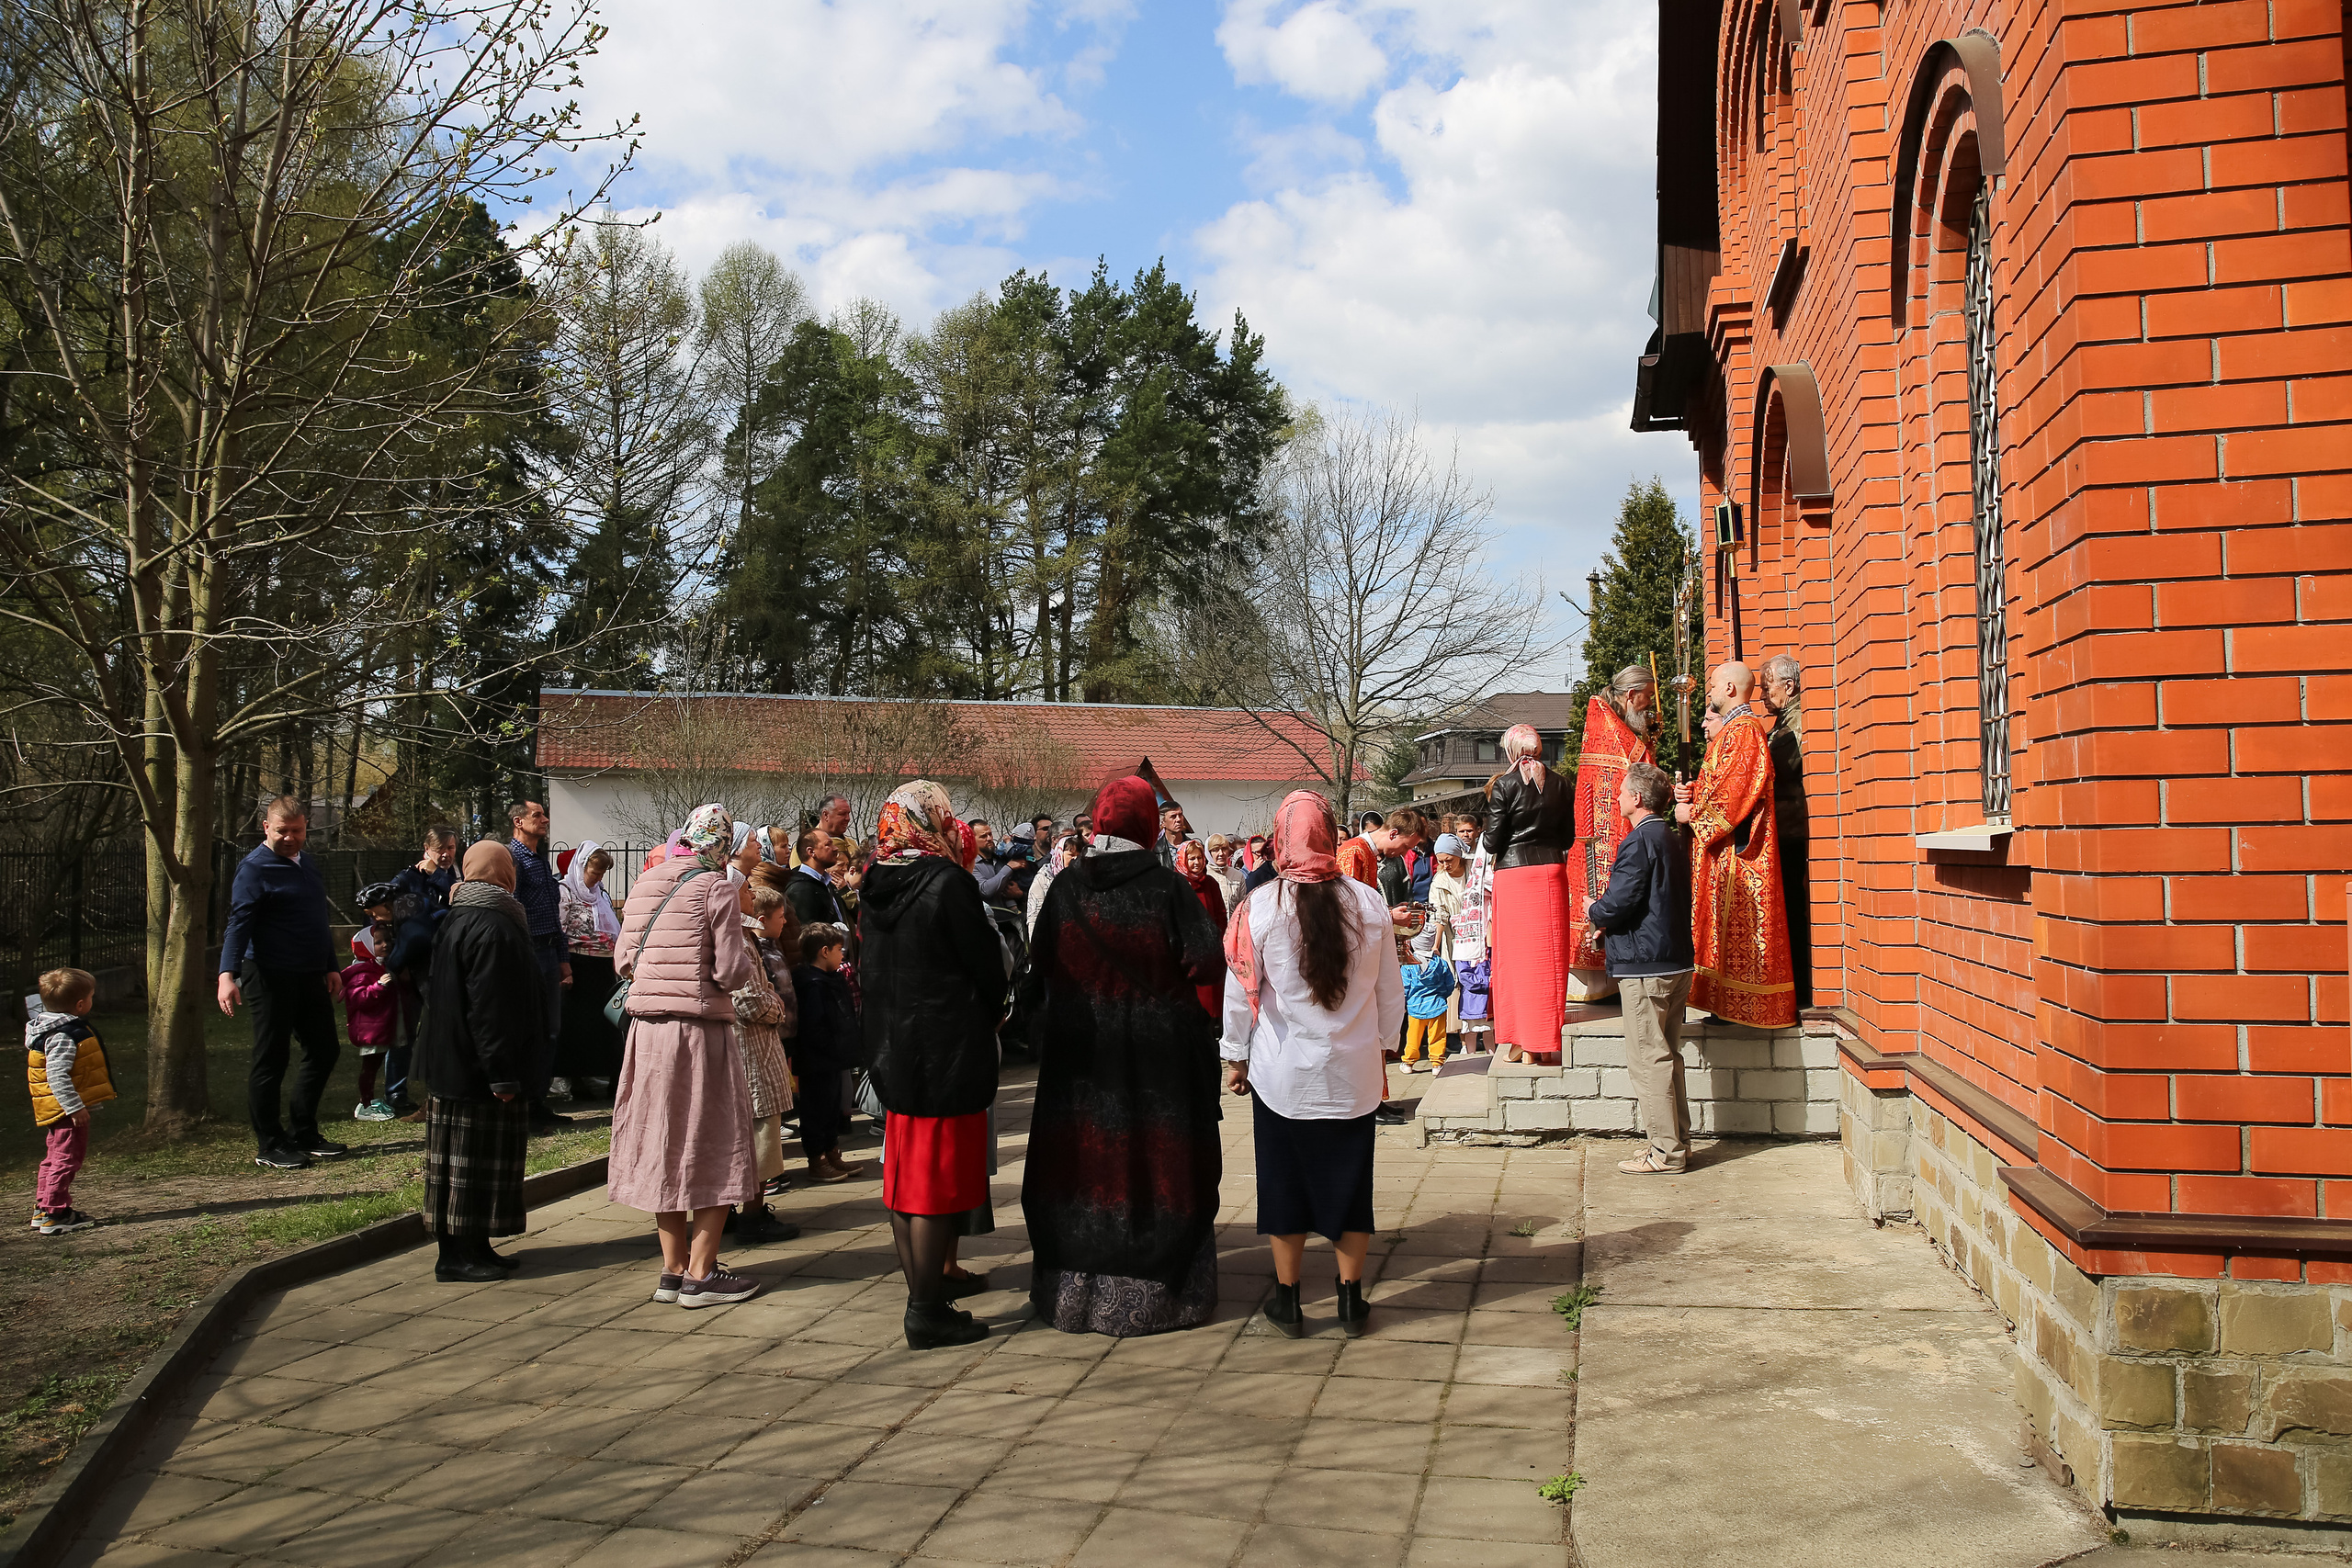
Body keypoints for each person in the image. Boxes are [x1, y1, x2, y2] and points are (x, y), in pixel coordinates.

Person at [1022, 776, 1227, 1337]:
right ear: (1146, 826)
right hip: (1156, 1060)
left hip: (1079, 1059)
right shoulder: (1167, 889)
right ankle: (1159, 1295)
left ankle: (1071, 1297)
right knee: (1150, 1165)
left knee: (1084, 1167)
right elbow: (1207, 962)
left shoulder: (1064, 889)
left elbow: (1038, 966)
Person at [1222, 791, 1404, 1338]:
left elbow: (1241, 992)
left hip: (1282, 1076)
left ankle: (1289, 1300)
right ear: (1331, 835)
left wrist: (1235, 1057)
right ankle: (1351, 1301)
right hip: (1353, 1075)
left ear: (1280, 839)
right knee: (1351, 1186)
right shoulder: (1369, 903)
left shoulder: (1258, 906)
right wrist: (1385, 1046)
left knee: (1286, 1187)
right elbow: (1390, 991)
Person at [861, 780, 1009, 1350]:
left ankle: (925, 1298)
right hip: (946, 1048)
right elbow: (985, 967)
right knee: (938, 1187)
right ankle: (926, 1309)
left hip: (894, 1047)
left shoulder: (875, 883)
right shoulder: (946, 881)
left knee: (906, 1183)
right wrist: (996, 1007)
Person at [610, 803, 765, 1309]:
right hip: (698, 1031)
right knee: (715, 1136)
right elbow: (730, 972)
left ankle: (672, 1270)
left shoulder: (645, 883)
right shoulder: (715, 887)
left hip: (646, 1032)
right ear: (720, 846)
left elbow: (623, 959)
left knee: (662, 1139)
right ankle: (703, 1273)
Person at [418, 841, 546, 1283]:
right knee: (467, 1165)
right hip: (477, 1069)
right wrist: (503, 1073)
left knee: (462, 1164)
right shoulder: (493, 924)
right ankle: (456, 1256)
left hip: (457, 1063)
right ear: (502, 872)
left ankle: (474, 1246)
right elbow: (490, 1006)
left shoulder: (462, 915)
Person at [217, 797, 345, 1170]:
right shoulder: (254, 869)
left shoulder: (307, 863)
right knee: (272, 1057)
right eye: (282, 831)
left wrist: (331, 966)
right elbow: (238, 923)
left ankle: (304, 1131)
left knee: (325, 1050)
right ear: (266, 827)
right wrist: (228, 974)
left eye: (298, 831)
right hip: (269, 973)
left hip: (310, 972)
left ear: (306, 828)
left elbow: (316, 919)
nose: (290, 838)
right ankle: (270, 1143)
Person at [1585, 761, 1698, 1173]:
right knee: (1668, 1057)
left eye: (1621, 792)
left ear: (1636, 798)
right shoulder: (1670, 837)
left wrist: (1594, 911)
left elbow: (1619, 902)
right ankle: (1675, 1143)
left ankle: (1664, 1153)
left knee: (1649, 1061)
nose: (1617, 798)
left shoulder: (1638, 841)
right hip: (1673, 959)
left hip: (1644, 964)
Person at [1675, 663, 1797, 1029]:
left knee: (1739, 935)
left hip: (1740, 858)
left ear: (1729, 688)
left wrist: (1692, 815)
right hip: (1723, 855)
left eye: (1712, 685)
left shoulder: (1744, 732)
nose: (1708, 691)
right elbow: (1720, 784)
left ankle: (1741, 1008)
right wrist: (1693, 792)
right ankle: (1725, 1004)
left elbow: (1735, 795)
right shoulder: (1733, 732)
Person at [1480, 724, 1574, 1065]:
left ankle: (1520, 1041)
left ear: (1510, 751)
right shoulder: (1563, 784)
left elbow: (1491, 841)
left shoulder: (1504, 785)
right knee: (1549, 960)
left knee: (1515, 961)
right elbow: (1567, 839)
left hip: (1514, 874)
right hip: (1551, 872)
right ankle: (1544, 1038)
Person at [1567, 667, 1658, 1004]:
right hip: (1603, 832)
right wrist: (1646, 746)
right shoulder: (1604, 720)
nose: (1649, 705)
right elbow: (1635, 767)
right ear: (1631, 696)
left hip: (1616, 825)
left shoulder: (1615, 720)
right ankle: (1599, 980)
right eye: (1647, 697)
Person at [728, 877, 801, 1240]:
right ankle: (752, 1216)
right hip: (749, 1048)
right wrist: (777, 1007)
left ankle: (734, 1212)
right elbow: (749, 1000)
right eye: (744, 891)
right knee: (756, 1130)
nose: (750, 895)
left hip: (752, 1045)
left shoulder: (743, 937)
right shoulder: (736, 939)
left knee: (751, 1128)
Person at [27, 967, 109, 1235]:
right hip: (67, 1111)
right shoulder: (64, 1035)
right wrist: (75, 1107)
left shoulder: (52, 1027)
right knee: (65, 1159)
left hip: (57, 1109)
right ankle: (56, 1213)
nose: (92, 1000)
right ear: (80, 1004)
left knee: (53, 1158)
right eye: (92, 996)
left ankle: (44, 1207)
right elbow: (57, 1076)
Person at [383, 828, 458, 1119]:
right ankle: (396, 1092)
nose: (446, 854)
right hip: (408, 963)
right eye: (440, 848)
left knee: (437, 1026)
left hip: (440, 961)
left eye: (451, 848)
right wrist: (394, 962)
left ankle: (436, 1090)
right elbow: (385, 917)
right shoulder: (405, 879)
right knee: (404, 1030)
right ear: (426, 848)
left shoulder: (452, 876)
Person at [505, 801, 570, 1126]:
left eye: (545, 815)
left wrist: (563, 960)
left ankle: (538, 1102)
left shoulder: (542, 863)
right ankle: (520, 1105)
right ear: (518, 821)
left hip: (548, 953)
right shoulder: (512, 858)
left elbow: (554, 916)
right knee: (527, 1030)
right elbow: (513, 911)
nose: (545, 820)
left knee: (550, 1031)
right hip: (526, 953)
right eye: (538, 816)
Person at [790, 924, 863, 1183]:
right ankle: (817, 1159)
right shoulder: (810, 983)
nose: (842, 955)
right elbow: (814, 1024)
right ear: (824, 951)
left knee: (832, 1107)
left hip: (833, 1057)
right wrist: (830, 1046)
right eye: (838, 950)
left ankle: (832, 1152)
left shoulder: (833, 978)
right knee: (816, 1110)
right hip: (816, 1059)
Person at [1760, 652, 1812, 1008]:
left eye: (1768, 686)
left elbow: (1780, 765)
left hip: (1792, 830)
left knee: (1794, 914)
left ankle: (1801, 992)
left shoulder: (1795, 725)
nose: (1764, 695)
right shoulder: (1780, 723)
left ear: (1788, 686)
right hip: (1784, 829)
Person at [557, 843, 625, 1098]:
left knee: (605, 1026)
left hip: (602, 966)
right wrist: (565, 968)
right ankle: (578, 1081)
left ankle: (609, 1079)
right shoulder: (565, 892)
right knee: (578, 1027)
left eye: (602, 873)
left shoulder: (601, 894)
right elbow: (560, 931)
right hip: (578, 964)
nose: (598, 878)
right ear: (582, 867)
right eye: (594, 873)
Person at [344, 886, 403, 1120]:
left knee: (375, 1066)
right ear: (367, 946)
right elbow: (358, 997)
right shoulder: (362, 971)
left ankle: (369, 1100)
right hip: (369, 1030)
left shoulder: (379, 966)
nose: (385, 945)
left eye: (387, 940)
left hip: (379, 1027)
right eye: (378, 942)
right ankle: (364, 1105)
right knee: (369, 1068)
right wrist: (378, 986)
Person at [1174, 839, 1231, 1017]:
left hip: (1210, 948)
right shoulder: (1175, 884)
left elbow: (1221, 914)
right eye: (1191, 859)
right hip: (1185, 949)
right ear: (1184, 860)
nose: (1196, 862)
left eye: (1199, 858)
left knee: (1212, 995)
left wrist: (1218, 938)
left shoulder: (1210, 883)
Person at [1399, 927, 1456, 1072]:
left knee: (1413, 1036)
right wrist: (1442, 996)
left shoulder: (1408, 965)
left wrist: (1405, 1002)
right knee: (1438, 1036)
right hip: (1437, 1005)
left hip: (1415, 1007)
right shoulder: (1441, 963)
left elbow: (1405, 987)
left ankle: (1408, 1063)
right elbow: (1449, 983)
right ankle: (1437, 1064)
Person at [786, 828, 850, 931]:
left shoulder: (826, 881)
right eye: (828, 844)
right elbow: (808, 935)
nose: (835, 848)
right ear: (811, 852)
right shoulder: (801, 889)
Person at [1204, 835, 1247, 911]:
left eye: (1224, 849)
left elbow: (1242, 906)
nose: (1221, 853)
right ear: (1209, 853)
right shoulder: (1204, 875)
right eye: (1215, 850)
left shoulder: (1238, 876)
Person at [1155, 801, 1193, 870]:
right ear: (1163, 822)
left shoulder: (1194, 847)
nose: (1178, 819)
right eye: (1173, 817)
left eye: (1180, 815)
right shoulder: (1155, 851)